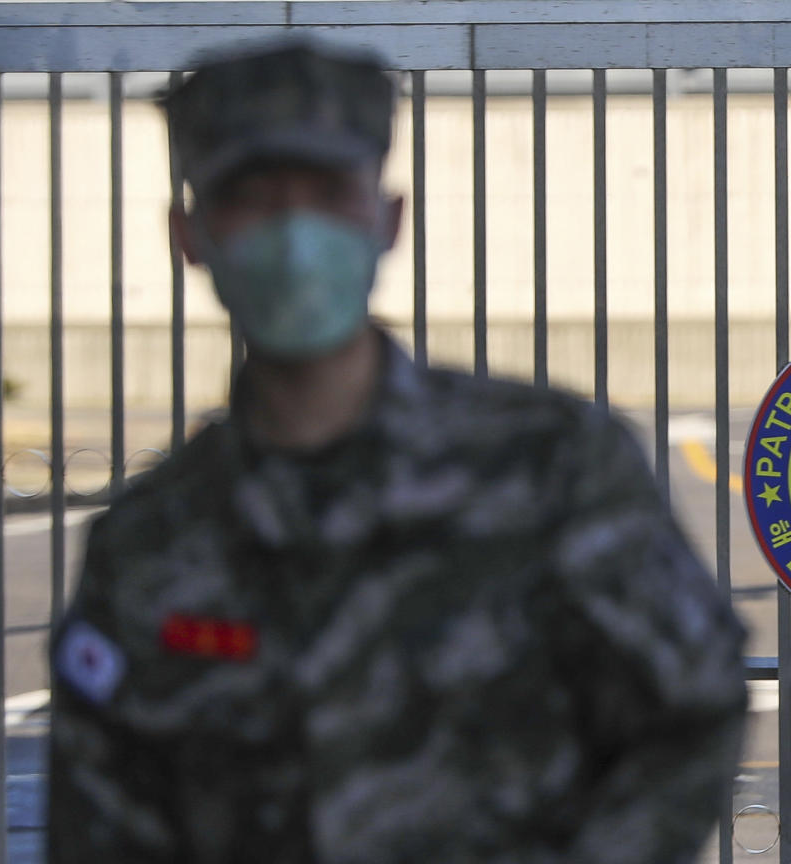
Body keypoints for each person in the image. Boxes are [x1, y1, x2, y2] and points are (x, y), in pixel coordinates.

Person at [46, 40, 748, 864]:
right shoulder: (148, 544)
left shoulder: (548, 466)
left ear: (388, 220)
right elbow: (104, 821)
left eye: (326, 195)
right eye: (251, 198)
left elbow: (691, 712)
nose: (294, 233)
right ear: (188, 235)